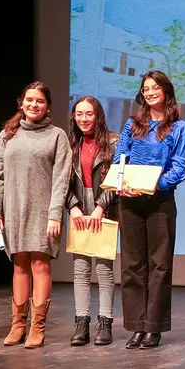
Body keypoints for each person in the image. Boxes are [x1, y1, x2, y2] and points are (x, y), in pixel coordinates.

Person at [0, 82, 71, 349]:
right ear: (21, 102)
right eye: (29, 100)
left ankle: (37, 327)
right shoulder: (7, 135)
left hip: (44, 210)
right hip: (13, 209)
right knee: (19, 264)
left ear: (47, 106)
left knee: (40, 265)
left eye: (40, 101)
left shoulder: (56, 135)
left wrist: (55, 214)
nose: (34, 105)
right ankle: (17, 325)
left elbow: (61, 179)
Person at [114, 70, 185, 349]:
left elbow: (179, 167)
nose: (150, 92)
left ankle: (154, 327)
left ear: (166, 91)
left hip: (159, 201)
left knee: (159, 265)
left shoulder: (179, 128)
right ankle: (136, 326)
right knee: (132, 265)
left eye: (155, 87)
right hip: (130, 200)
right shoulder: (131, 125)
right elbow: (119, 158)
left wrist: (153, 186)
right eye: (145, 88)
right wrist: (120, 183)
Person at [65, 96, 119, 346]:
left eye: (89, 114)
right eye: (79, 114)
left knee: (104, 269)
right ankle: (81, 322)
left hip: (103, 207)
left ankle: (105, 322)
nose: (84, 119)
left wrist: (100, 207)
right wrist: (72, 206)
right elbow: (61, 181)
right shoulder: (70, 145)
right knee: (80, 269)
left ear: (97, 115)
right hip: (79, 205)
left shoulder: (113, 141)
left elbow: (117, 179)